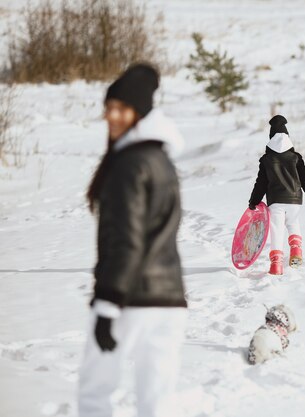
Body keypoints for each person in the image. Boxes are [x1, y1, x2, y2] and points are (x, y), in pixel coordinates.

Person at [78, 63, 187, 417]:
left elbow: (127, 240)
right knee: (156, 403)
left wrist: (108, 303)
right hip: (169, 300)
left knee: (95, 395)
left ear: (139, 113)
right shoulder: (161, 160)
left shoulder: (129, 164)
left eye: (122, 109)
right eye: (109, 107)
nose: (112, 116)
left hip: (129, 299)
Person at [248, 115, 305, 275]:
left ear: (271, 138)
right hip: (295, 200)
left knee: (276, 230)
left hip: (276, 201)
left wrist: (254, 201)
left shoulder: (266, 159)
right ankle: (296, 250)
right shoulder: (295, 158)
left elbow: (260, 183)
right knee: (293, 223)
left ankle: (276, 265)